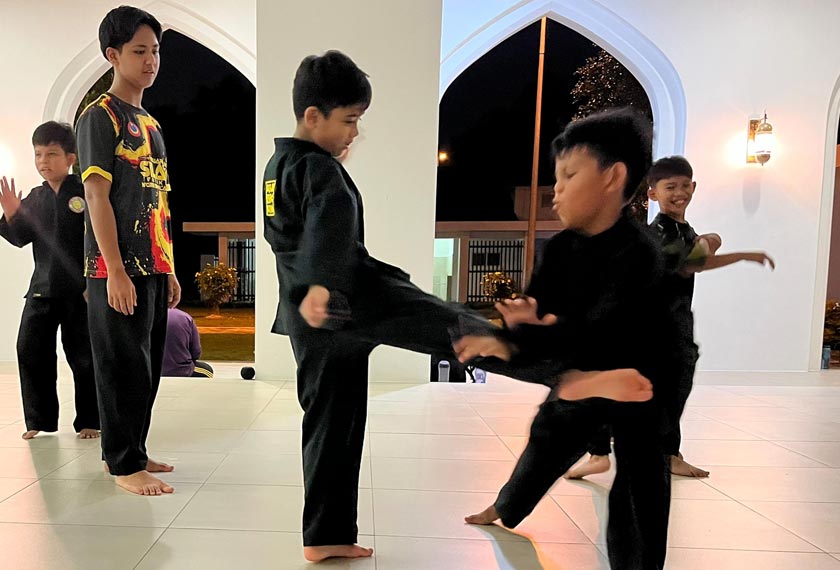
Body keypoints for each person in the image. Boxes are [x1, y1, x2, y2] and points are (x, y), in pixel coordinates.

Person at [263, 52, 651, 563]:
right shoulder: (321, 170)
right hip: (353, 298)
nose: (355, 133)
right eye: (349, 120)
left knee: (329, 422)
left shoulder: (278, 168)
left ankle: (323, 534)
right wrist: (322, 284)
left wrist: (308, 290)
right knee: (465, 331)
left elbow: (285, 238)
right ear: (314, 116)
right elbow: (326, 230)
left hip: (310, 320)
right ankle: (571, 374)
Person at [459, 108, 682, 570]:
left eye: (569, 176)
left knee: (641, 473)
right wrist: (515, 333)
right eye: (556, 178)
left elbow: (611, 326)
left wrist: (565, 356)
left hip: (649, 373)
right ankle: (507, 506)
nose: (556, 190)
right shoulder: (559, 250)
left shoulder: (641, 253)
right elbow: (544, 323)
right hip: (589, 369)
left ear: (613, 178)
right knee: (551, 432)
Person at [567, 155, 776, 479]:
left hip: (671, 324)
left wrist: (710, 239)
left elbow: (696, 254)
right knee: (652, 389)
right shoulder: (661, 233)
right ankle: (612, 453)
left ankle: (648, 453)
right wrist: (742, 254)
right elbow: (694, 264)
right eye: (670, 187)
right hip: (652, 327)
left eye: (684, 186)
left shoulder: (682, 230)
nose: (679, 193)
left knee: (667, 390)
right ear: (653, 193)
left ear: (694, 187)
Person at [76, 5, 181, 497]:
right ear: (112, 55)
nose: (150, 60)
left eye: (155, 50)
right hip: (114, 268)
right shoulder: (99, 117)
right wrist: (114, 270)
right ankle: (122, 464)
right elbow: (96, 196)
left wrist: (169, 266)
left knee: (146, 366)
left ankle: (133, 450)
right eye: (139, 51)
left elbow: (157, 201)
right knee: (121, 367)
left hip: (153, 265)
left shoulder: (151, 124)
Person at [0, 122, 99, 441]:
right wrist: (12, 213)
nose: (43, 161)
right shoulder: (36, 197)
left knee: (84, 356)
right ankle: (38, 419)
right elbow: (19, 238)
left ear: (70, 158)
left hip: (80, 292)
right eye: (38, 154)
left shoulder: (85, 193)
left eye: (52, 154)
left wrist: (94, 283)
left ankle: (90, 419)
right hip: (42, 289)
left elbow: (99, 239)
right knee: (29, 349)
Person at [162, 308, 214, 378]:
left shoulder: (148, 316)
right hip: (181, 369)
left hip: (151, 370)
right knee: (208, 371)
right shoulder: (185, 317)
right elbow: (196, 352)